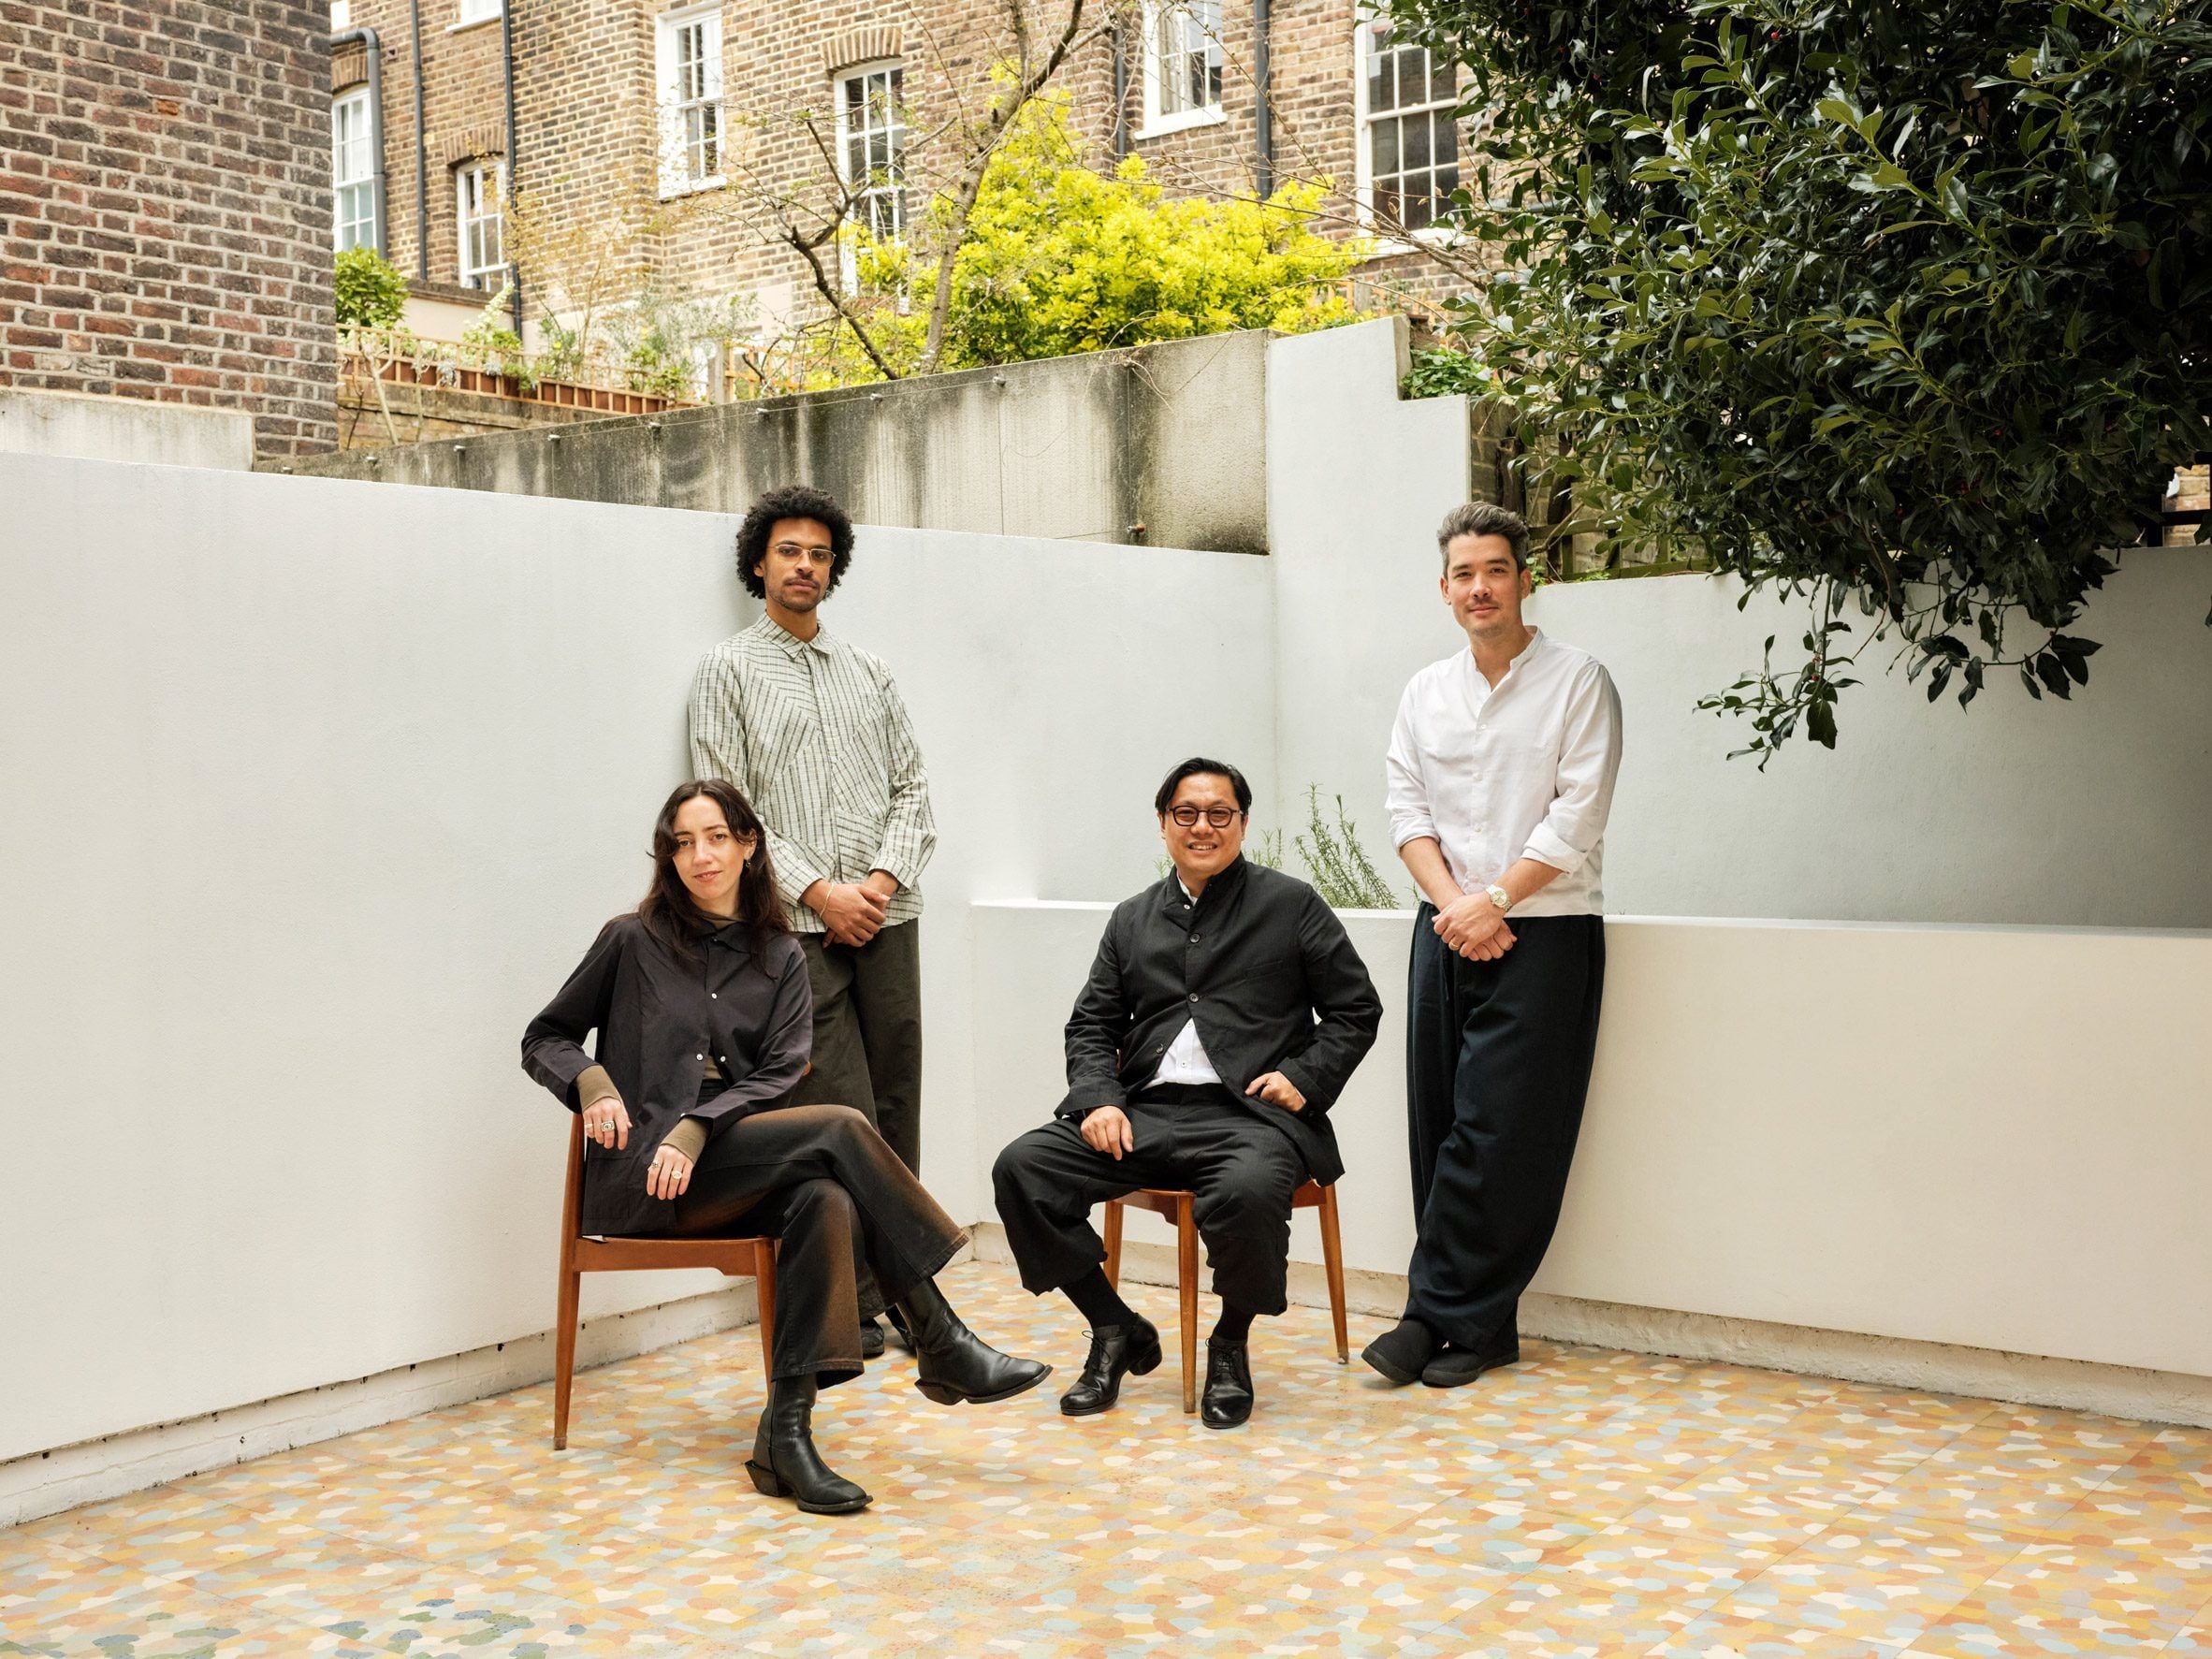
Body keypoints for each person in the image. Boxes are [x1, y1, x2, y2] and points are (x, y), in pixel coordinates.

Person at [521, 779, 1047, 1515]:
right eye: (682, 841)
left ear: (748, 844)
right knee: (837, 1127)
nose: (699, 855)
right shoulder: (629, 940)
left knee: (825, 1196)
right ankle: (938, 1333)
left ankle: (786, 1437)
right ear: (668, 855)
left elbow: (779, 1073)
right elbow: (545, 1036)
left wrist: (702, 1123)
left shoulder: (779, 957)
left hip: (730, 1174)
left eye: (714, 837)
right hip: (645, 1177)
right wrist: (594, 1084)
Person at [992, 759, 1382, 1429]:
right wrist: (1099, 1099)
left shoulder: (1290, 904)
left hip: (1249, 1117)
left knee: (1249, 1191)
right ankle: (1114, 1326)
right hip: (1143, 1112)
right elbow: (1092, 1023)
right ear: (1164, 823)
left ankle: (1230, 1343)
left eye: (1219, 813)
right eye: (1187, 813)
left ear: (1242, 822)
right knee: (1024, 1167)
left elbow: (1355, 1009)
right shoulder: (1132, 917)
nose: (1203, 826)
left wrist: (1303, 1077)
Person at [1362, 503, 1623, 1390]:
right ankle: (1478, 1328)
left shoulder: (1579, 681)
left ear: (1524, 578)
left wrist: (1498, 899)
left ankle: (1429, 1316)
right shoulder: (1424, 691)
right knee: (1439, 1125)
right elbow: (1407, 811)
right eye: (1464, 574)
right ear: (1445, 590)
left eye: (1497, 570)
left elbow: (1578, 814)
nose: (1481, 587)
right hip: (1444, 929)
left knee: (1503, 1134)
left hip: (1544, 932)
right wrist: (1456, 907)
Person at [688, 485, 936, 1361]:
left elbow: (915, 791)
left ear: (835, 568)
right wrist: (822, 892)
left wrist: (875, 880)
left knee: (898, 1100)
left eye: (820, 554)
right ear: (759, 562)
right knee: (835, 1104)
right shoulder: (726, 671)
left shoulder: (871, 672)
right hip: (793, 929)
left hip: (888, 911)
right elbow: (728, 807)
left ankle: (911, 1292)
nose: (804, 566)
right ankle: (854, 1298)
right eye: (789, 551)